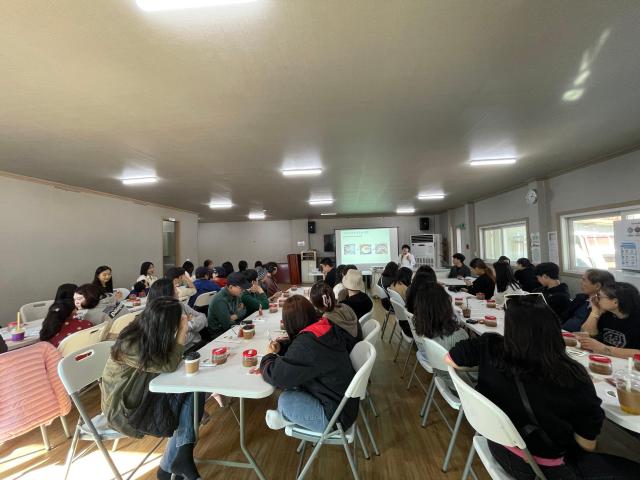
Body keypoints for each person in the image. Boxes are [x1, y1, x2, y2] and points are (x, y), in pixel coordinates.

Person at [446, 294, 639, 479]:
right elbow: (586, 445)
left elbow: (451, 359)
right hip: (543, 468)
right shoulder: (572, 377)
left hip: (496, 444)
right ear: (555, 329)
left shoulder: (489, 346)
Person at [101, 297, 205, 480]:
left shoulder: (148, 333)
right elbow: (170, 365)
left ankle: (177, 460)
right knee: (193, 395)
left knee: (195, 391)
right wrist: (182, 330)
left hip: (147, 392)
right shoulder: (131, 344)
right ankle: (177, 460)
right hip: (126, 409)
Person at [261, 295, 358, 433]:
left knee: (285, 398)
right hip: (344, 403)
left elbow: (278, 377)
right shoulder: (324, 326)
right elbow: (303, 354)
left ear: (288, 322)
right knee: (294, 385)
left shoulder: (307, 344)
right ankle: (286, 416)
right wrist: (281, 347)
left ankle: (284, 415)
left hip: (335, 417)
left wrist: (268, 357)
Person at [410, 282, 470, 391]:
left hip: (444, 378)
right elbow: (471, 367)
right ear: (446, 305)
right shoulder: (458, 336)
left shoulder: (423, 329)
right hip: (465, 388)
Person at [580, 282, 640, 358]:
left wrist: (605, 349)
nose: (596, 299)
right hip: (605, 358)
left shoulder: (637, 320)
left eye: (599, 296)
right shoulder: (606, 313)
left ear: (615, 302)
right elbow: (586, 333)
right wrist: (594, 312)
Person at [147, 279, 207, 352]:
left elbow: (203, 317)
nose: (178, 292)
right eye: (175, 289)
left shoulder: (180, 305)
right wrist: (191, 327)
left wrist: (186, 326)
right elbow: (181, 342)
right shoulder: (158, 318)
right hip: (182, 354)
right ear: (167, 295)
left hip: (199, 344)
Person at [310, 282, 362, 352]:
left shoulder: (327, 321)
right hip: (359, 346)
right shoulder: (345, 306)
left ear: (316, 306)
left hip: (348, 352)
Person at [206, 272, 250, 338]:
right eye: (241, 288)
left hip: (233, 329)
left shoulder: (235, 294)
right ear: (231, 287)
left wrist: (236, 316)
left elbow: (244, 310)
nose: (243, 290)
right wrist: (237, 314)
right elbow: (228, 325)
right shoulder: (220, 300)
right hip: (220, 335)